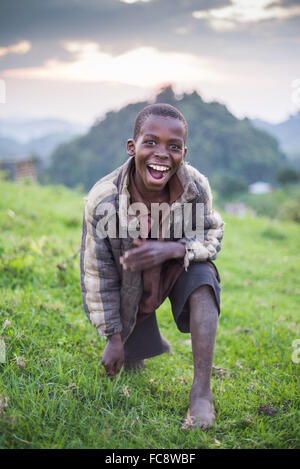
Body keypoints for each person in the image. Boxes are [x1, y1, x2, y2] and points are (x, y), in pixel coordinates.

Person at [80, 103, 224, 429]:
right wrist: (113, 338)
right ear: (132, 147)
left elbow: (211, 233)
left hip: (176, 269)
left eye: (173, 147)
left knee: (203, 277)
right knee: (132, 364)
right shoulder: (104, 200)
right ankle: (143, 341)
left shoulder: (194, 188)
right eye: (151, 142)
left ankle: (201, 393)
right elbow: (96, 273)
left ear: (184, 153)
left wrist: (170, 249)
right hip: (130, 282)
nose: (162, 153)